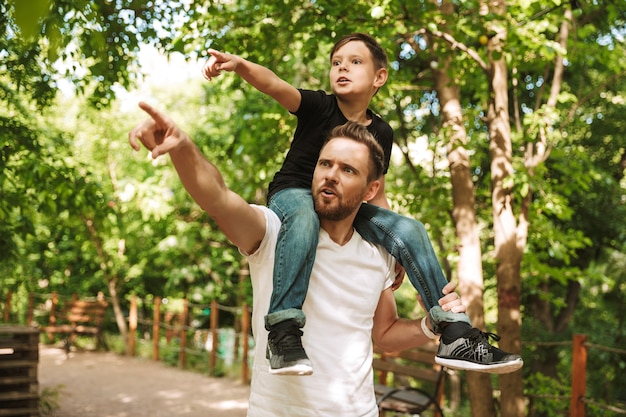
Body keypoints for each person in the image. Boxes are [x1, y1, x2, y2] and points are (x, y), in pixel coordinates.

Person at [202, 33, 523, 375]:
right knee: (305, 217)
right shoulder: (319, 107)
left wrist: (395, 243)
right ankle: (283, 331)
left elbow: (376, 190)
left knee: (410, 228)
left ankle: (454, 332)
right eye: (337, 62)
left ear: (378, 77)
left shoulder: (381, 132)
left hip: (348, 202)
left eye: (355, 62)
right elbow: (274, 85)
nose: (343, 67)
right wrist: (239, 65)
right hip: (295, 192)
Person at [129, 104, 466, 416]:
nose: (331, 175)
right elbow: (217, 197)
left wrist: (431, 324)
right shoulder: (274, 233)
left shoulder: (377, 252)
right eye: (325, 164)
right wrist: (183, 148)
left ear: (369, 190)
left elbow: (385, 336)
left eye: (347, 169)